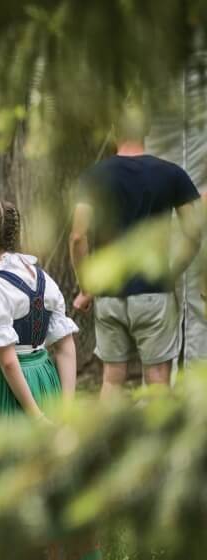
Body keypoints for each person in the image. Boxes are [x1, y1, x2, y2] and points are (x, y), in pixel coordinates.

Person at [0, 199, 99, 560]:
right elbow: (65, 345)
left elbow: (7, 360)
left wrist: (36, 414)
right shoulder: (41, 277)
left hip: (17, 387)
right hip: (43, 375)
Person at [70, 105, 202, 394]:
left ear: (113, 131)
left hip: (108, 294)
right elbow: (194, 230)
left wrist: (86, 287)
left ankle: (104, 440)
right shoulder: (171, 174)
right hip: (155, 292)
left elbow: (78, 236)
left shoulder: (93, 176)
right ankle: (159, 440)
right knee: (156, 382)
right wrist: (173, 270)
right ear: (146, 131)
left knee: (111, 380)